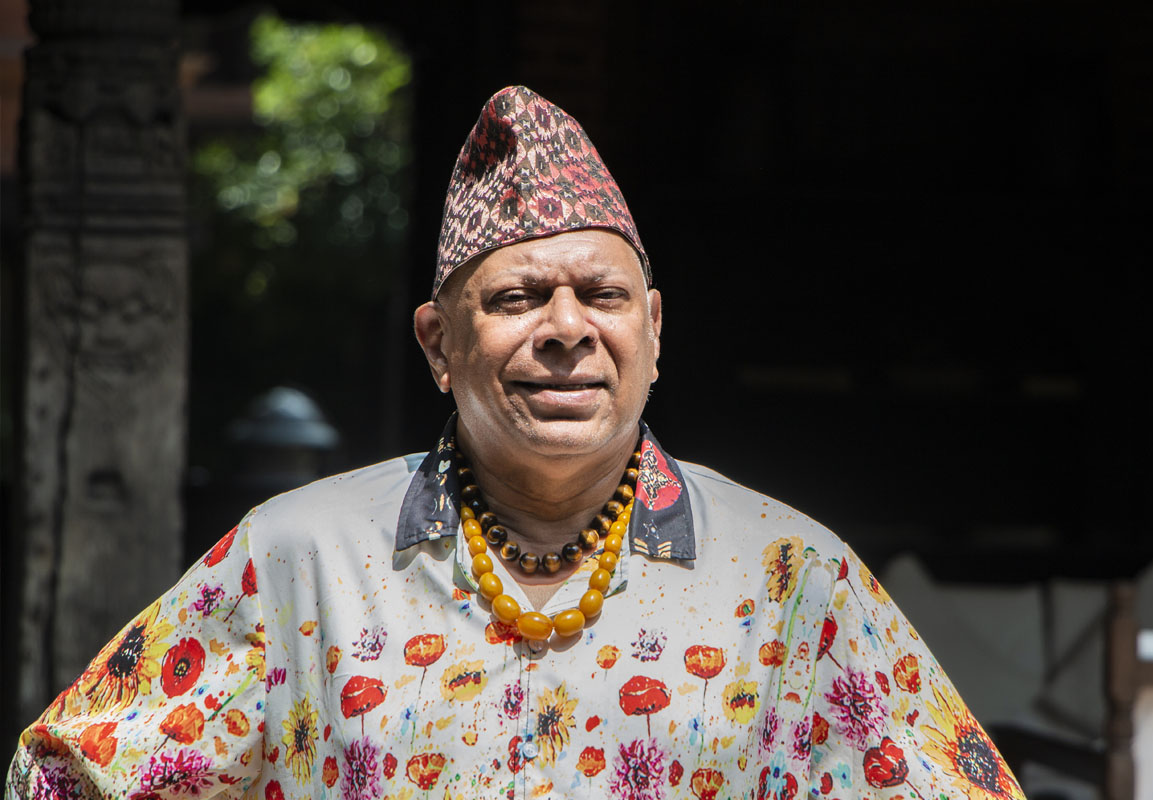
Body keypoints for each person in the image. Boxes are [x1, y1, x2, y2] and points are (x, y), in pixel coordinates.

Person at [7, 86, 1025, 800]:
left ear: (654, 331)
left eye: (603, 295)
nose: (568, 328)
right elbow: (64, 778)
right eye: (518, 298)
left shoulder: (794, 576)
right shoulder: (297, 559)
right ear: (438, 344)